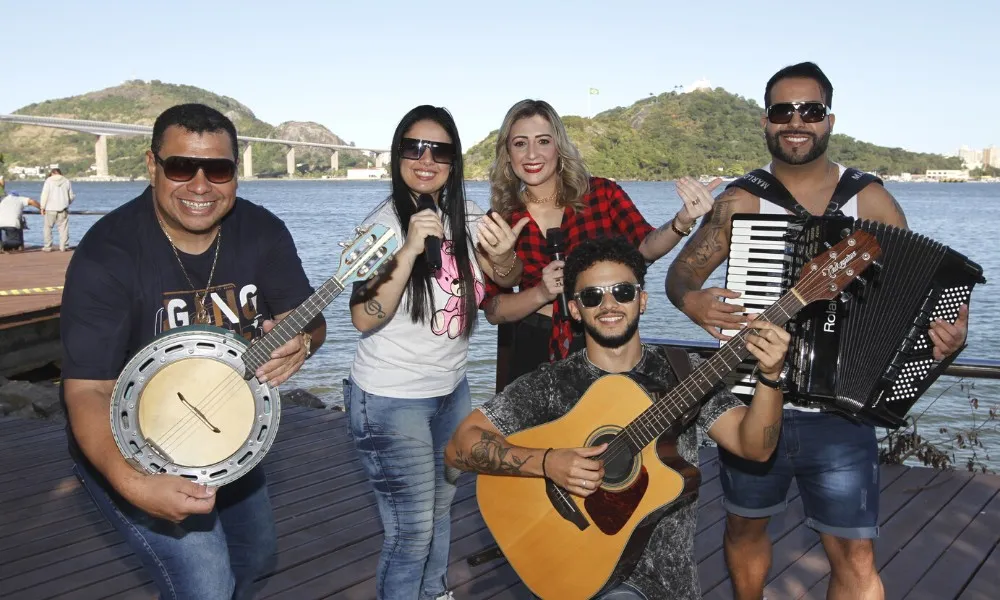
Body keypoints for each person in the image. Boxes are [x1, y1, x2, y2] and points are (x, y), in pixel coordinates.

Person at [664, 62, 970, 600]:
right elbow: (682, 272)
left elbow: (919, 288)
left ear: (829, 120)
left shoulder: (868, 199)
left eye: (810, 110)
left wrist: (947, 332)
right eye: (784, 111)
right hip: (749, 401)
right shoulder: (741, 201)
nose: (796, 121)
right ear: (765, 121)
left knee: (854, 553)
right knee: (743, 526)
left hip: (841, 412)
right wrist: (693, 301)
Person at [59, 103, 327, 600]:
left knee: (256, 554)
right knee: (204, 582)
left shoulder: (263, 231)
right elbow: (88, 389)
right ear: (151, 165)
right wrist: (132, 483)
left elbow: (310, 319)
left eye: (219, 169)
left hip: (224, 435)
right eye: (181, 166)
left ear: (236, 172)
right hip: (132, 444)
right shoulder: (108, 252)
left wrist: (302, 343)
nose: (200, 185)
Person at [446, 236, 791, 599]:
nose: (608, 304)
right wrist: (547, 462)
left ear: (642, 300)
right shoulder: (552, 383)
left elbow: (755, 448)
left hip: (671, 585)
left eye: (622, 292)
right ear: (576, 310)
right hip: (579, 570)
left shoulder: (684, 373)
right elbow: (458, 447)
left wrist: (770, 377)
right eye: (592, 296)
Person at [344, 104, 524, 600]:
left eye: (439, 150)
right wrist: (407, 249)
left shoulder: (469, 216)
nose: (426, 159)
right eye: (414, 147)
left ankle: (435, 594)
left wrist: (505, 255)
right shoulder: (381, 225)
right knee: (411, 531)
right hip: (389, 397)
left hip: (451, 391)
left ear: (454, 161)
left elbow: (504, 282)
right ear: (398, 154)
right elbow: (363, 318)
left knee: (441, 512)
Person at [480, 99, 716, 388]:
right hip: (534, 346)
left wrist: (682, 221)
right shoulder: (500, 220)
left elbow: (644, 248)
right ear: (507, 153)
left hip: (604, 334)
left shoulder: (602, 194)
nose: (532, 154)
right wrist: (542, 292)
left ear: (559, 148)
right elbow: (493, 309)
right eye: (520, 143)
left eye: (543, 141)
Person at [40, 167, 75, 251]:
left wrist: (42, 207)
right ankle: (64, 246)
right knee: (63, 228)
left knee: (48, 228)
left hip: (50, 208)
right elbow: (71, 196)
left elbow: (44, 195)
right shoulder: (66, 181)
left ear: (52, 173)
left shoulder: (48, 181)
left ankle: (47, 246)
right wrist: (67, 202)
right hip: (63, 208)